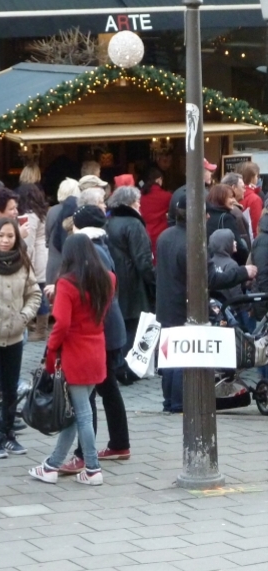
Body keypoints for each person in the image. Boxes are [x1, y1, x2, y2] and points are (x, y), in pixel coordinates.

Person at [156, 194, 256, 413]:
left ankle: (169, 402)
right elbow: (211, 279)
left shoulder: (164, 236)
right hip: (187, 307)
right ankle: (180, 403)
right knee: (184, 356)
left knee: (170, 355)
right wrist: (243, 272)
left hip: (166, 304)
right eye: (205, 212)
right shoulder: (196, 242)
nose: (209, 215)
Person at [29, 234, 114, 485]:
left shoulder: (66, 284)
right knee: (79, 412)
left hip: (75, 353)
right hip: (97, 349)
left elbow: (62, 323)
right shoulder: (108, 279)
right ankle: (52, 464)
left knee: (83, 414)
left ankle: (92, 468)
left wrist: (51, 351)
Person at [58, 205, 130, 473]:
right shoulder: (102, 245)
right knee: (107, 387)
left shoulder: (92, 251)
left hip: (101, 333)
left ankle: (83, 455)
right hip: (111, 329)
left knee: (88, 395)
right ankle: (119, 443)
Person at [0, 218, 41, 458]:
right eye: (1, 236)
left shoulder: (23, 263)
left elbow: (34, 294)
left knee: (10, 388)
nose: (5, 241)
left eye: (10, 236)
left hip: (15, 335)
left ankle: (8, 434)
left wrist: (24, 317)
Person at [106, 186, 156, 385]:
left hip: (115, 278)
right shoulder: (134, 224)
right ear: (129, 204)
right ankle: (126, 368)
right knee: (133, 325)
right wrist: (153, 281)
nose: (140, 206)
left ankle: (117, 365)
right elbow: (143, 259)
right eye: (137, 202)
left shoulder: (108, 222)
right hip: (132, 282)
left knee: (120, 322)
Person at [16, 183, 50, 341]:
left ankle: (41, 329)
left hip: (36, 259)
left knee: (37, 292)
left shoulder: (29, 216)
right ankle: (34, 324)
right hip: (42, 255)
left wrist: (25, 264)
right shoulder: (40, 212)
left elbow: (27, 243)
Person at [45, 178, 80, 284]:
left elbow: (47, 237)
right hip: (69, 263)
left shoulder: (51, 211)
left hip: (53, 261)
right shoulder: (77, 211)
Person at [206, 183, 249, 266]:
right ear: (220, 198)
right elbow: (239, 246)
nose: (234, 200)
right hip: (228, 264)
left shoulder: (206, 215)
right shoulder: (227, 218)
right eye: (230, 197)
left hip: (210, 261)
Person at [168, 158, 216, 226]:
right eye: (209, 171)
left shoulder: (176, 193)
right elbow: (211, 222)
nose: (211, 174)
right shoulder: (205, 195)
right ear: (201, 173)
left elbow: (171, 220)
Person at [139, 168, 172, 260]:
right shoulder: (167, 196)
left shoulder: (139, 195)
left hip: (143, 232)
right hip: (161, 233)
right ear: (158, 179)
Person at [221, 172, 251, 249]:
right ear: (233, 188)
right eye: (243, 187)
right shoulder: (235, 212)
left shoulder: (218, 207)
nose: (245, 190)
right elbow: (243, 239)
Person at [239, 161, 263, 238]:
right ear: (252, 177)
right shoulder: (254, 199)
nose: (258, 178)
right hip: (251, 239)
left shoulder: (234, 193)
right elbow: (256, 225)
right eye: (257, 176)